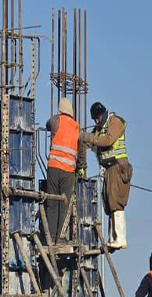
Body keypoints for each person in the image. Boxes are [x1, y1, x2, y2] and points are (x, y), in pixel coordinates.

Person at [81, 102, 131, 251]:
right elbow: (89, 141)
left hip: (118, 166)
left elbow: (108, 140)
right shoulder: (99, 129)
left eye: (97, 118)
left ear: (102, 114)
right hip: (109, 169)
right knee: (109, 204)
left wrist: (89, 138)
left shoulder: (115, 122)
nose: (96, 121)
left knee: (116, 202)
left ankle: (120, 238)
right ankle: (112, 238)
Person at [43, 98, 85, 243]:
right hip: (68, 171)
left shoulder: (55, 121)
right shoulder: (76, 126)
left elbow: (47, 124)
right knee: (65, 205)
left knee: (52, 204)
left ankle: (51, 237)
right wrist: (82, 167)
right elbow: (81, 149)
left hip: (54, 168)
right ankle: (60, 238)